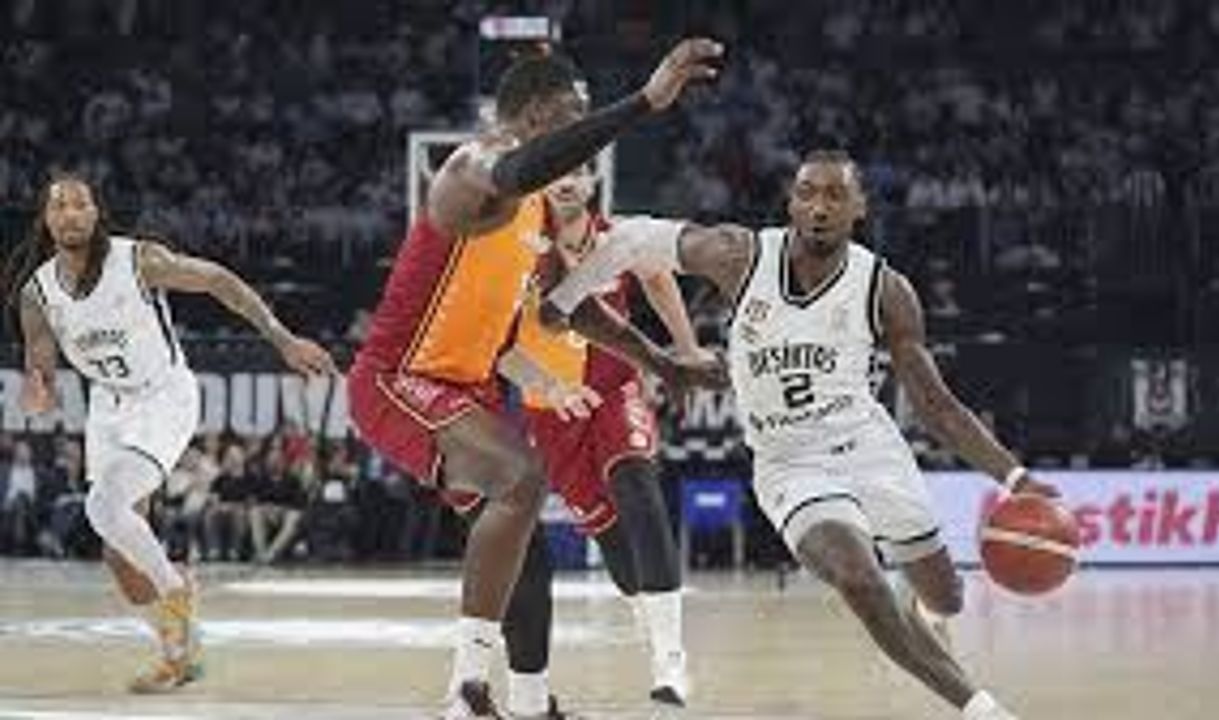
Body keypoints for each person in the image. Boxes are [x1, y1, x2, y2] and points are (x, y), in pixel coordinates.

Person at [542, 150, 1059, 719]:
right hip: (791, 466)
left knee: (946, 596)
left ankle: (920, 620)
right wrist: (564, 299)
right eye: (807, 193)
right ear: (790, 203)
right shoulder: (741, 256)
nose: (819, 207)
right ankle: (981, 709)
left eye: (835, 195)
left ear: (860, 207)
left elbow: (937, 407)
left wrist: (1016, 478)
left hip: (872, 451)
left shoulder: (885, 290)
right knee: (859, 579)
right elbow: (632, 238)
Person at [344, 40, 724, 717]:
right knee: (522, 479)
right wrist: (643, 102)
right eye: (572, 115)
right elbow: (524, 166)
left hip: (467, 394)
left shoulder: (542, 214)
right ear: (533, 115)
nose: (583, 134)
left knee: (529, 554)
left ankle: (530, 702)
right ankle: (467, 689)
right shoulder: (470, 168)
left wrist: (663, 362)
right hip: (397, 378)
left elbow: (565, 306)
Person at [3, 174, 335, 693]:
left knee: (102, 506)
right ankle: (178, 653)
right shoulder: (37, 293)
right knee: (118, 553)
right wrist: (38, 391)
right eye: (59, 206)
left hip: (163, 396)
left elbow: (220, 281)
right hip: (108, 406)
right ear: (46, 220)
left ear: (95, 213)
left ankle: (177, 590)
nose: (69, 213)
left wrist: (282, 338)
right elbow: (40, 367)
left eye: (79, 203)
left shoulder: (139, 261)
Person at [495, 165, 706, 716]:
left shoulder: (619, 238)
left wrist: (686, 349)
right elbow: (498, 349)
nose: (566, 181)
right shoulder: (515, 250)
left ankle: (672, 660)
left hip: (615, 388)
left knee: (638, 487)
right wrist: (548, 386)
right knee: (616, 549)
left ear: (594, 182)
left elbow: (658, 279)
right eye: (556, 173)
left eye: (579, 171)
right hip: (552, 409)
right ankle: (648, 621)